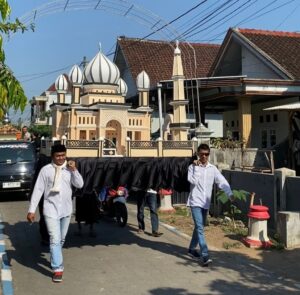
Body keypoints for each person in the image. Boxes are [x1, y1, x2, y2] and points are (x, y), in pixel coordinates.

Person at [27, 144, 84, 283]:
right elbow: (38, 190)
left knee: (61, 239)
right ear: (53, 156)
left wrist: (74, 170)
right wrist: (31, 210)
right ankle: (58, 268)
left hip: (66, 210)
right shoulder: (45, 170)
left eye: (63, 155)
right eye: (58, 156)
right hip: (50, 209)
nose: (61, 158)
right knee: (54, 238)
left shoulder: (70, 169)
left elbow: (80, 184)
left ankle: (55, 256)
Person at [187, 143, 233, 266]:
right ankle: (205, 254)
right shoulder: (192, 168)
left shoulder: (212, 169)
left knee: (199, 227)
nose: (204, 156)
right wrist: (196, 167)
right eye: (201, 154)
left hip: (205, 203)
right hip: (195, 201)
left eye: (206, 154)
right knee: (201, 228)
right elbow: (192, 181)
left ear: (209, 154)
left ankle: (191, 249)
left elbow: (221, 181)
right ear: (198, 154)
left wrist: (229, 193)